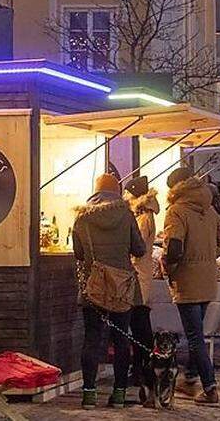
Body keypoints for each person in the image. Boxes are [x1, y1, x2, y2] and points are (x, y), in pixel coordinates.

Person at [72, 173, 146, 409]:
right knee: (122, 340)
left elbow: (78, 252)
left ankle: (89, 394)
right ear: (117, 191)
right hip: (122, 287)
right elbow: (139, 249)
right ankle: (120, 394)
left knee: (92, 339)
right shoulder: (126, 214)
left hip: (94, 286)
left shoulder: (82, 216)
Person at [162, 166, 220, 405]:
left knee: (195, 337)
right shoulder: (208, 207)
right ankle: (189, 379)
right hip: (207, 280)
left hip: (187, 280)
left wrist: (167, 269)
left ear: (175, 188)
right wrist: (207, 258)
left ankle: (210, 388)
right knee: (197, 333)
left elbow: (173, 248)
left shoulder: (176, 211)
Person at [124, 176, 160, 406]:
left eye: (128, 193)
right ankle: (140, 367)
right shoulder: (144, 216)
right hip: (140, 274)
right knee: (139, 323)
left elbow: (138, 248)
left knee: (140, 323)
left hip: (139, 276)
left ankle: (141, 368)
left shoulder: (143, 218)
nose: (125, 197)